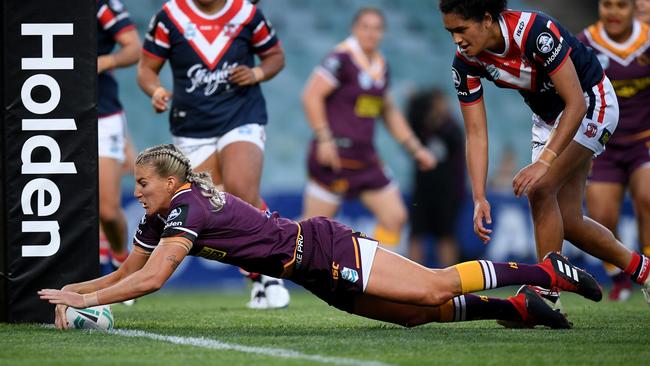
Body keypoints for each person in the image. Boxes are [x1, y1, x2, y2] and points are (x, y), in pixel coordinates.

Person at [39, 144, 605, 330]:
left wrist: (86, 302)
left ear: (171, 181)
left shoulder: (185, 204)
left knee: (432, 288)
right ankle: (519, 313)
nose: (135, 192)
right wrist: (74, 291)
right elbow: (125, 274)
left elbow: (155, 279)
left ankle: (545, 274)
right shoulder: (158, 215)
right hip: (309, 273)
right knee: (416, 316)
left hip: (324, 248)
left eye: (141, 184)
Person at [438, 0, 650, 310]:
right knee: (570, 220)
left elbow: (576, 102)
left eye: (461, 29)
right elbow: (476, 134)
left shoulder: (535, 32)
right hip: (549, 118)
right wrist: (480, 196)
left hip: (592, 102)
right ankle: (642, 269)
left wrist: (545, 161)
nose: (456, 39)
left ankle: (547, 294)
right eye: (450, 32)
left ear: (486, 19)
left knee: (540, 188)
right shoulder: (465, 64)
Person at [136, 0, 289, 309]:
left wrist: (258, 72)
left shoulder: (246, 13)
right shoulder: (170, 16)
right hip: (192, 125)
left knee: (242, 190)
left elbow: (275, 56)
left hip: (242, 115)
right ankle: (255, 276)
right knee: (207, 202)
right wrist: (155, 90)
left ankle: (271, 272)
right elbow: (146, 69)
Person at [301, 7, 436, 249]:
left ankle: (373, 276)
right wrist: (324, 138)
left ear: (383, 33)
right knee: (312, 231)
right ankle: (268, 262)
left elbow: (389, 111)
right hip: (335, 157)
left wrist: (416, 149)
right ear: (354, 29)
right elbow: (311, 95)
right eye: (365, 27)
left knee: (395, 217)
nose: (371, 33)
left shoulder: (381, 66)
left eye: (377, 28)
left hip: (365, 160)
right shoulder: (340, 59)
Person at [578, 0, 650, 301]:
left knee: (648, 198)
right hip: (604, 143)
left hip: (644, 140)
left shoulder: (647, 40)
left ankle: (648, 273)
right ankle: (618, 277)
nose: (614, 12)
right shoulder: (584, 43)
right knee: (601, 214)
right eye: (607, 4)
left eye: (621, 5)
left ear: (634, 8)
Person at [97, 0, 141, 270]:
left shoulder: (99, 6)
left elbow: (134, 47)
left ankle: (120, 260)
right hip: (49, 118)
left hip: (102, 116)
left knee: (107, 210)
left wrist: (106, 60)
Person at [406, 88, 466, 267]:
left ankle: (450, 278)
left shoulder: (451, 128)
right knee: (417, 234)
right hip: (422, 189)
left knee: (446, 235)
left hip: (447, 191)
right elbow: (408, 122)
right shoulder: (419, 126)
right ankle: (412, 276)